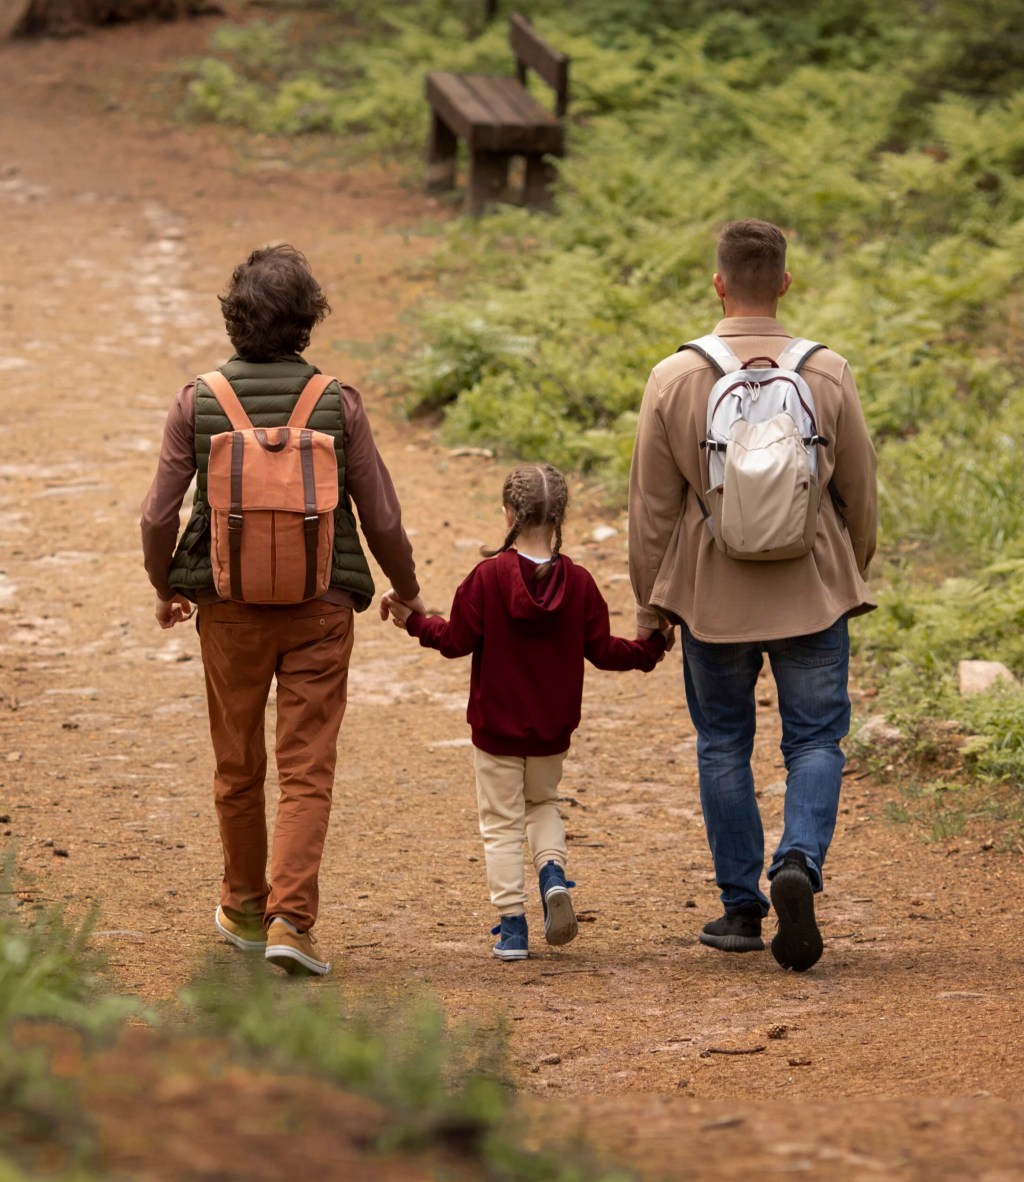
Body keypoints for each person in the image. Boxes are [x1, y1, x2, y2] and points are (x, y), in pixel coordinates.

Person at [140, 244, 423, 977]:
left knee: (237, 763)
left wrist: (164, 583)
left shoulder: (196, 401)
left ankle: (240, 903)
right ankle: (291, 919)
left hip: (226, 608)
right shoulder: (337, 402)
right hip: (322, 606)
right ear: (307, 321)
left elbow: (156, 514)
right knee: (306, 767)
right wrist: (407, 586)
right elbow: (383, 514)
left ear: (234, 317)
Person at [628, 219, 877, 972]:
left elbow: (652, 507)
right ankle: (797, 857)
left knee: (723, 741)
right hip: (811, 590)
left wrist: (652, 604)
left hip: (713, 596)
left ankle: (740, 907)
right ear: (786, 283)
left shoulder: (675, 377)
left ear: (719, 284)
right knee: (814, 739)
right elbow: (860, 493)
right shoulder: (828, 372)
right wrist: (845, 570)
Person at [381, 464, 669, 961]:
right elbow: (605, 650)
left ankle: (513, 928)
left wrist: (415, 621)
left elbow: (454, 642)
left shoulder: (487, 578)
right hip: (552, 730)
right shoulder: (579, 583)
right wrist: (653, 645)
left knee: (500, 822)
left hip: (496, 729)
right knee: (543, 804)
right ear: (561, 516)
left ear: (509, 512)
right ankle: (552, 875)